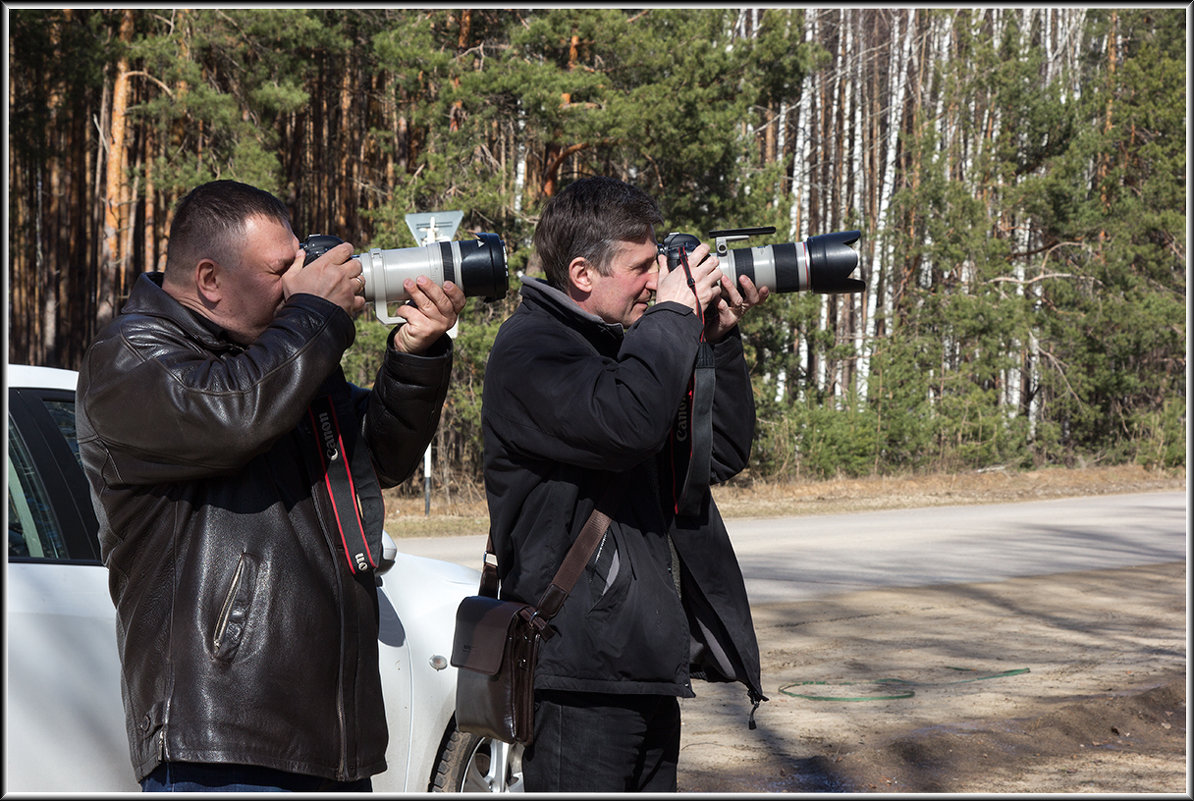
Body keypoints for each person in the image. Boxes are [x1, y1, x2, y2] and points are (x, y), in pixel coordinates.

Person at [76, 180, 465, 792]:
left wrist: (416, 354)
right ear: (210, 280)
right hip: (222, 740)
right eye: (280, 270)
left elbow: (378, 459)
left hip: (328, 739)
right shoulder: (128, 360)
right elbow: (236, 416)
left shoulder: (278, 358)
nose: (300, 281)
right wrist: (315, 316)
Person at [481, 175, 769, 792]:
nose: (657, 277)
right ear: (583, 274)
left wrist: (717, 343)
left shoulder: (627, 348)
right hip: (578, 675)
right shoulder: (531, 349)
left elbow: (719, 454)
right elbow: (628, 423)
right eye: (642, 266)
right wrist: (672, 315)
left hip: (643, 666)